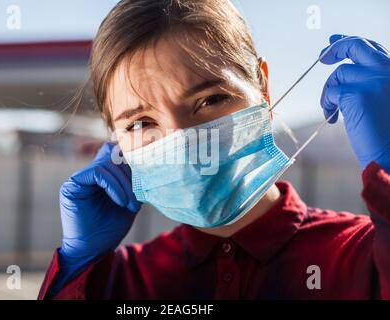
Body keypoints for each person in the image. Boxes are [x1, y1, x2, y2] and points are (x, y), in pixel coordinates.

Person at [38, 0, 390, 299]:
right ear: (115, 140)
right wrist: (76, 269)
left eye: (211, 100)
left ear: (263, 90)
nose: (184, 140)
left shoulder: (362, 255)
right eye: (141, 123)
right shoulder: (124, 282)